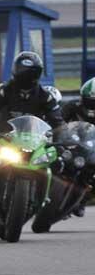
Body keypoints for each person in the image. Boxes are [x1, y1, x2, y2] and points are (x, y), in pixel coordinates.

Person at [0, 51, 63, 134]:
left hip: (34, 141)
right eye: (23, 72)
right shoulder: (3, 91)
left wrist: (56, 135)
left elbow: (58, 122)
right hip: (3, 138)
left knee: (58, 147)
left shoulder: (45, 96)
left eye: (30, 73)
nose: (26, 77)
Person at [60, 78, 95, 216]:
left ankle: (82, 201)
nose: (92, 106)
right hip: (71, 144)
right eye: (89, 101)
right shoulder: (72, 106)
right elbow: (58, 122)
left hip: (92, 149)